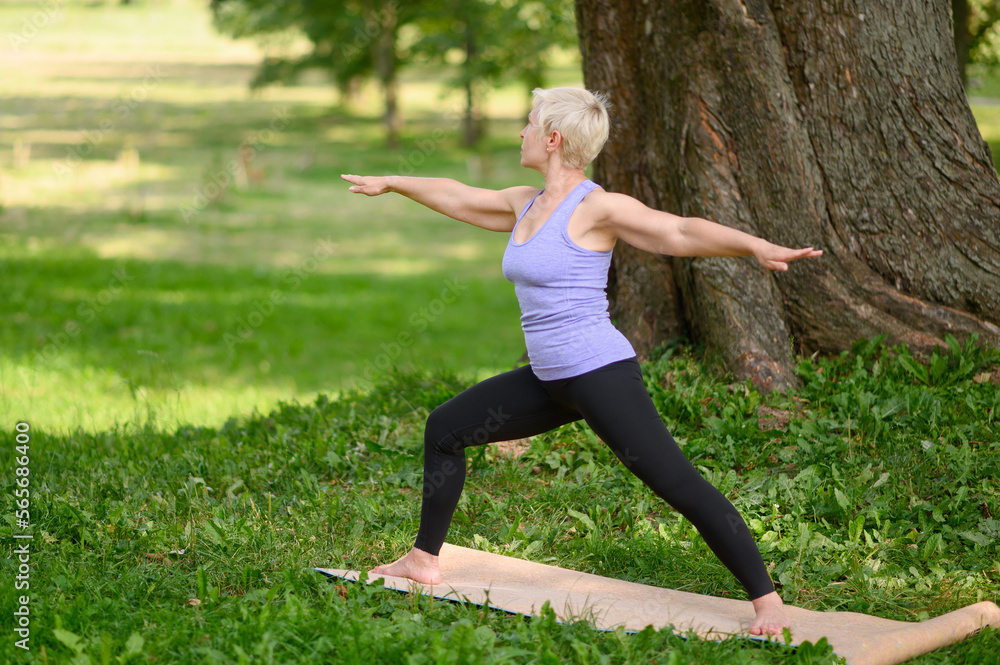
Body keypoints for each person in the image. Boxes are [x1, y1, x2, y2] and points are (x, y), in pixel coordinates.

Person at [342, 87, 822, 636]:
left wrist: (755, 246)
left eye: (528, 124)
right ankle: (423, 560)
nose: (520, 132)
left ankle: (767, 601)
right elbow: (458, 196)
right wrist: (393, 182)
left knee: (676, 483)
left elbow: (679, 230)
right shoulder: (523, 202)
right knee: (445, 429)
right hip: (549, 381)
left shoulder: (597, 208)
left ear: (552, 139)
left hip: (598, 375)